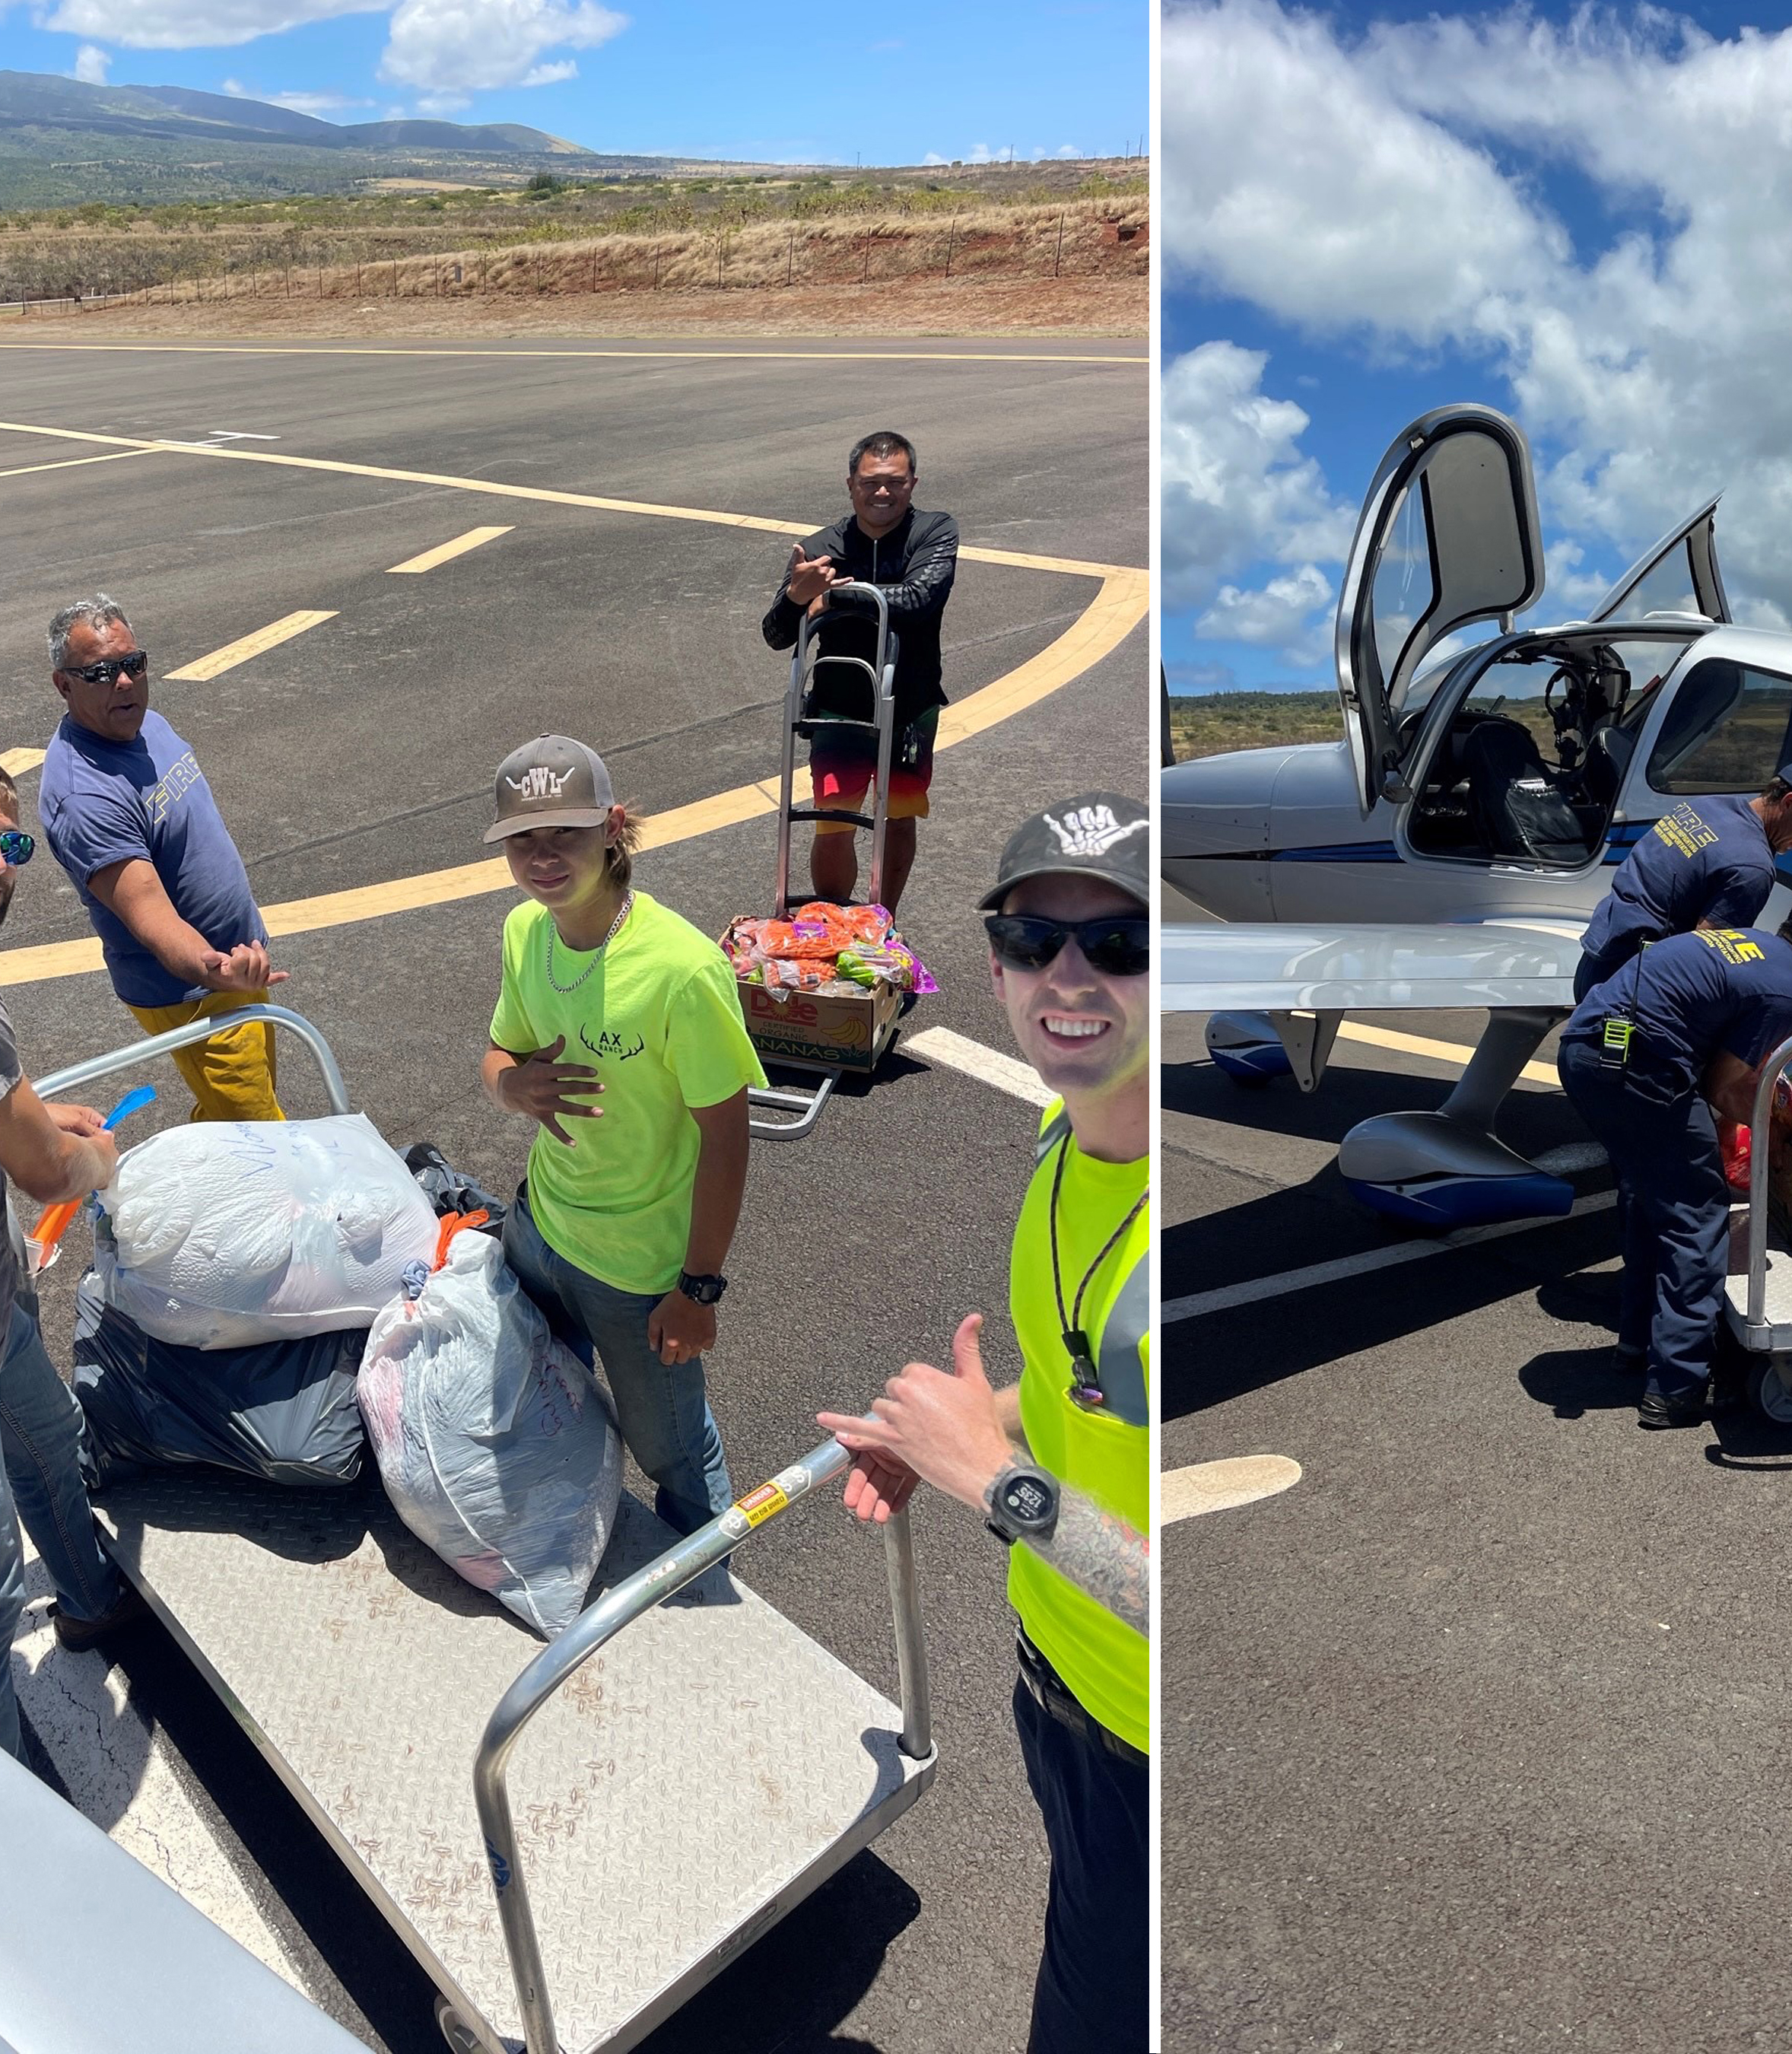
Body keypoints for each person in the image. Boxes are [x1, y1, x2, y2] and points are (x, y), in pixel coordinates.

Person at [819, 791, 1149, 2054]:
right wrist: (959, 1429)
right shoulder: (1066, 1135)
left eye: (1119, 943)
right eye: (1029, 938)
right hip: (1054, 1677)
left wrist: (991, 1479)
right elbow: (1079, 1383)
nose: (1068, 975)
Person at [478, 736, 758, 1543]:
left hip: (637, 1272)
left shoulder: (683, 970)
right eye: (522, 840)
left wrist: (698, 1288)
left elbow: (727, 1140)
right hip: (540, 1230)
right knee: (544, 1406)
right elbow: (501, 1052)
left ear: (611, 827)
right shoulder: (526, 932)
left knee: (672, 1450)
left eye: (563, 835)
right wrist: (511, 1087)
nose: (542, 858)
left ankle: (703, 1582)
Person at [0, 752, 133, 1768]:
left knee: (50, 1439)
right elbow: (47, 1174)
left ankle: (94, 1601)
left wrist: (29, 1109)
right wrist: (93, 1161)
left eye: (8, 843)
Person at [1558, 891, 1792, 1427]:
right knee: (1697, 1214)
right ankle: (1677, 1388)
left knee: (1651, 1197)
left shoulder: (1748, 946)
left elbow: (1716, 1063)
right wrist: (1782, 1140)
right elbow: (1725, 1085)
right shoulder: (1787, 990)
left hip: (1590, 1050)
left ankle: (1637, 1344)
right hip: (1639, 1068)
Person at [36, 596, 287, 1124]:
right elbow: (152, 917)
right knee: (264, 1138)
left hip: (238, 965)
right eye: (101, 672)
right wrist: (217, 970)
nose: (125, 682)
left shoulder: (146, 726)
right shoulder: (84, 797)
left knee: (238, 1119)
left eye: (133, 663)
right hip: (196, 988)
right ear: (64, 685)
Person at [764, 431, 961, 914]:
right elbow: (775, 632)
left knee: (898, 817)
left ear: (913, 483)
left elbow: (919, 598)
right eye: (871, 482)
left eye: (896, 482)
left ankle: (881, 922)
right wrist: (797, 595)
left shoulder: (933, 531)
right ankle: (835, 921)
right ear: (851, 484)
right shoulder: (820, 547)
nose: (883, 492)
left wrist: (834, 596)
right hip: (838, 706)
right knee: (833, 820)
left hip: (909, 702)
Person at [1571, 762, 1792, 999]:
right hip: (1630, 985)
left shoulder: (1707, 806)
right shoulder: (1753, 868)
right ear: (1789, 802)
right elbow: (1703, 960)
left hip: (1597, 953)